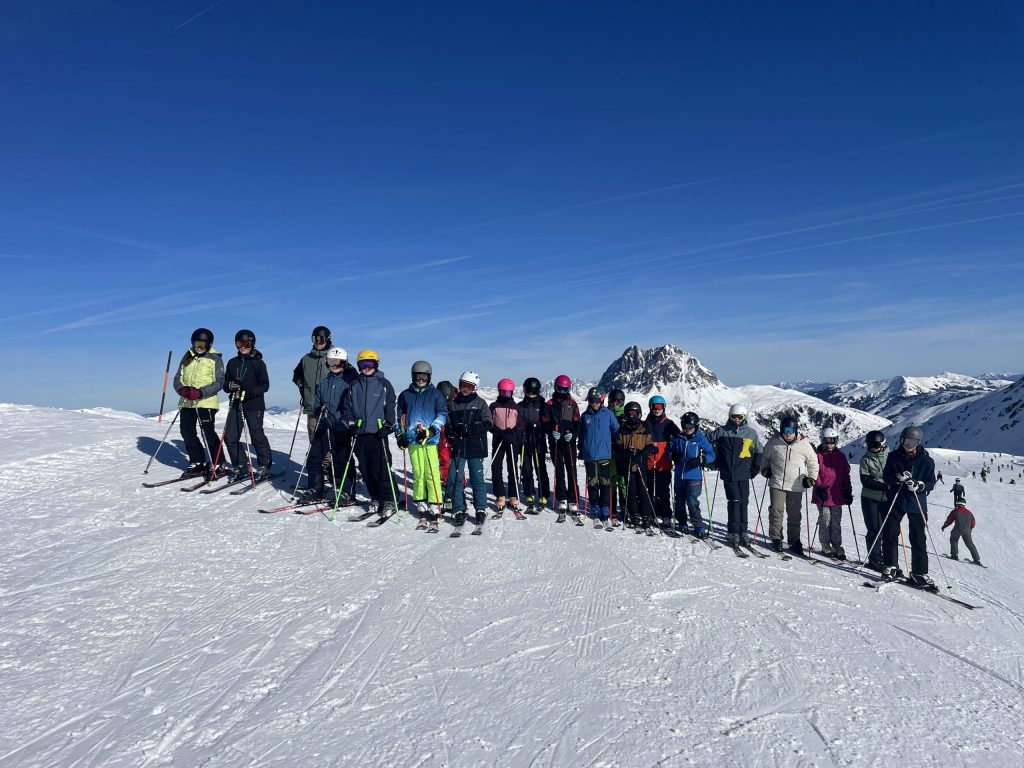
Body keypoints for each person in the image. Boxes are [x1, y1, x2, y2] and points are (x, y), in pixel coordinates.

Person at [340, 349, 398, 520]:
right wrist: (351, 425)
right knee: (366, 468)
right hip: (360, 434)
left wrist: (388, 425)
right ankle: (375, 496)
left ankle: (389, 499)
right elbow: (346, 409)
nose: (366, 367)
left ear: (376, 364)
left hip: (378, 434)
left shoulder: (384, 384)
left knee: (382, 468)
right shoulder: (353, 385)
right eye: (362, 364)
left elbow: (390, 406)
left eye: (369, 364)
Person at [881, 425, 938, 588]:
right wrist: (896, 478)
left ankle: (919, 572)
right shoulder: (893, 457)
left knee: (918, 537)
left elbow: (930, 482)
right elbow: (886, 476)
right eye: (906, 440)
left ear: (918, 442)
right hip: (896, 499)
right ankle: (891, 566)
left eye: (912, 441)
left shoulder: (927, 461)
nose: (908, 444)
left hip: (916, 502)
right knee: (890, 532)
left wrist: (920, 486)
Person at [396, 361, 447, 532]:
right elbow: (400, 418)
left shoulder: (435, 394)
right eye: (418, 376)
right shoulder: (405, 395)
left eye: (424, 376)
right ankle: (421, 502)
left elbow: (442, 414)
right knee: (417, 473)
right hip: (412, 441)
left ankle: (435, 504)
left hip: (429, 441)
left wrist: (432, 430)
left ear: (429, 377)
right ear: (413, 376)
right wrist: (400, 435)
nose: (421, 379)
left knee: (431, 473)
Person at [300, 347, 356, 503]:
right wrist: (320, 411)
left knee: (342, 459)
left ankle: (347, 491)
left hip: (342, 427)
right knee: (314, 457)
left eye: (338, 362)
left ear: (344, 363)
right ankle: (316, 489)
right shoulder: (324, 382)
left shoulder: (350, 381)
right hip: (324, 425)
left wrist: (341, 419)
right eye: (331, 362)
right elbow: (317, 402)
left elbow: (353, 404)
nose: (334, 365)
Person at [760, 415, 818, 554]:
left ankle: (794, 541)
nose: (788, 433)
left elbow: (813, 463)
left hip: (796, 484)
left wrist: (811, 478)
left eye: (791, 430)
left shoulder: (804, 444)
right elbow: (765, 458)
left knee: (794, 514)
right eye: (785, 430)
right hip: (777, 482)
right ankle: (776, 538)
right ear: (781, 430)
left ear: (796, 430)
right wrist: (765, 469)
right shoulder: (773, 442)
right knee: (776, 511)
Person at [173, 328, 225, 477]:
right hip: (187, 402)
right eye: (197, 344)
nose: (199, 347)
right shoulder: (187, 356)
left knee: (207, 433)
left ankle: (218, 463)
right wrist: (182, 390)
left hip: (206, 402)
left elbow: (220, 381)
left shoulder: (215, 358)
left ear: (209, 345)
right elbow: (178, 378)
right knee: (187, 432)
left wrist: (201, 392)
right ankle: (197, 462)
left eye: (203, 344)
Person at [709, 404, 764, 547]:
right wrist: (714, 459)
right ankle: (733, 531)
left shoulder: (750, 433)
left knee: (743, 502)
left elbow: (759, 450)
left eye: (740, 417)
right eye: (734, 417)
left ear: (744, 417)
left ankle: (743, 531)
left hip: (744, 473)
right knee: (734, 501)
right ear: (729, 416)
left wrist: (756, 467)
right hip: (728, 473)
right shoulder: (722, 431)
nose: (737, 420)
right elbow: (707, 441)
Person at [444, 371, 492, 531]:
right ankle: (459, 508)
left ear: (475, 388)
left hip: (475, 446)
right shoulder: (453, 404)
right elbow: (448, 425)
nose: (465, 389)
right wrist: (452, 435)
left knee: (477, 478)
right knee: (454, 477)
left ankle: (480, 508)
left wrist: (471, 428)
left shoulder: (480, 404)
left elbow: (488, 423)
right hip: (459, 446)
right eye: (463, 385)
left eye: (469, 387)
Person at [222, 329, 273, 481]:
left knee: (256, 435)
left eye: (246, 343)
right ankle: (241, 466)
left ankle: (264, 466)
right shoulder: (232, 362)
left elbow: (265, 385)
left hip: (254, 405)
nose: (243, 346)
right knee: (230, 437)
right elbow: (225, 385)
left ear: (252, 344)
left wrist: (248, 392)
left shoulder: (258, 363)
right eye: (239, 343)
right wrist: (230, 385)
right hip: (236, 403)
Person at [667, 411, 716, 537]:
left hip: (694, 476)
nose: (687, 429)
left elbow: (711, 455)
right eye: (685, 426)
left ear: (696, 426)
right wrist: (672, 456)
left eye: (690, 427)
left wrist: (702, 460)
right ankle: (682, 522)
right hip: (679, 475)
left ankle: (698, 525)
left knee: (691, 500)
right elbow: (669, 452)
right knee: (679, 501)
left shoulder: (700, 439)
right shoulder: (678, 438)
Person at [577, 387, 619, 528]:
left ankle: (605, 507)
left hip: (604, 455)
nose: (594, 403)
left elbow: (616, 430)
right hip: (590, 455)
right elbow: (581, 434)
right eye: (591, 400)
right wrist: (581, 448)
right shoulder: (585, 416)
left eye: (596, 401)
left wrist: (614, 446)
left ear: (601, 400)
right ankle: (594, 506)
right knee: (592, 482)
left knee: (605, 482)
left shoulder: (608, 414)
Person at [614, 401, 657, 533]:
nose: (632, 416)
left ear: (639, 414)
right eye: (629, 413)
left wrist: (642, 454)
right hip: (628, 466)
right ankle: (635, 515)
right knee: (631, 492)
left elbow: (651, 446)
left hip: (641, 465)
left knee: (643, 492)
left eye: (635, 413)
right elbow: (617, 445)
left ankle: (646, 516)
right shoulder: (623, 429)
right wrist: (625, 452)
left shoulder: (645, 427)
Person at [542, 374, 581, 517]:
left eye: (566, 389)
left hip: (569, 443)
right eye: (560, 389)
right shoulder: (550, 404)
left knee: (571, 471)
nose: (563, 392)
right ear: (555, 388)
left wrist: (574, 435)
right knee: (559, 471)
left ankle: (573, 499)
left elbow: (578, 423)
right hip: (556, 443)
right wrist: (551, 432)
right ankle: (562, 498)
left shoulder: (572, 404)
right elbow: (544, 422)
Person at [813, 427, 853, 558]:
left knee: (836, 521)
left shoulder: (841, 456)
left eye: (832, 441)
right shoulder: (817, 456)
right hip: (823, 493)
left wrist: (847, 490)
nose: (830, 444)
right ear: (822, 441)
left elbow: (845, 474)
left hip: (837, 494)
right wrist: (819, 487)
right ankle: (825, 544)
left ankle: (837, 545)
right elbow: (814, 473)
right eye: (827, 441)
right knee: (825, 520)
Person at [644, 395, 681, 530]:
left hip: (663, 464)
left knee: (663, 491)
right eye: (654, 407)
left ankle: (665, 514)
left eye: (659, 407)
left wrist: (676, 453)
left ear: (664, 407)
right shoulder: (645, 424)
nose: (657, 410)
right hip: (649, 464)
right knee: (650, 490)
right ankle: (653, 513)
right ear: (650, 408)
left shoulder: (669, 424)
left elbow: (679, 439)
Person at [489, 378, 524, 516]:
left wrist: (513, 433)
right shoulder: (493, 406)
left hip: (511, 441)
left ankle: (513, 495)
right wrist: (499, 432)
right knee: (496, 467)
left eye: (508, 393)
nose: (506, 395)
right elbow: (489, 423)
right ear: (499, 391)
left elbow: (521, 424)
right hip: (498, 440)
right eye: (503, 392)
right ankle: (500, 495)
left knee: (513, 467)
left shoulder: (515, 407)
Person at [292, 325, 333, 440]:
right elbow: (297, 375)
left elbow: (349, 376)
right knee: (314, 437)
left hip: (331, 408)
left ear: (328, 339)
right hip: (312, 405)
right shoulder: (307, 359)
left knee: (329, 438)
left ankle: (328, 459)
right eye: (315, 339)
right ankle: (315, 458)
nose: (318, 342)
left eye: (321, 339)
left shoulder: (335, 356)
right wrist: (302, 387)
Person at [518, 377, 551, 514]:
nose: (531, 393)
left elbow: (547, 421)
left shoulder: (543, 405)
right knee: (526, 469)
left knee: (540, 468)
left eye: (534, 390)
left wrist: (540, 427)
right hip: (525, 441)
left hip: (538, 441)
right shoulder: (520, 405)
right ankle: (529, 493)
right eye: (529, 390)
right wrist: (523, 428)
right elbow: (518, 421)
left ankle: (543, 494)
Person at [858, 429, 889, 571]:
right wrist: (885, 486)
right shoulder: (865, 459)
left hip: (888, 499)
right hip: (870, 498)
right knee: (875, 529)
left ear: (882, 444)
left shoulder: (891, 457)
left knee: (888, 530)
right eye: (870, 445)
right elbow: (866, 481)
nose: (873, 448)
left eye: (876, 445)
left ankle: (889, 560)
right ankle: (875, 560)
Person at [607, 388, 627, 525]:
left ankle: (625, 508)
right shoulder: (606, 414)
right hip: (610, 453)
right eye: (613, 401)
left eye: (618, 401)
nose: (615, 404)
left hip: (623, 454)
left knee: (624, 482)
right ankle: (612, 509)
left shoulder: (627, 415)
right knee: (612, 481)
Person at [436, 380, 455, 487]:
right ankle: (446, 482)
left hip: (454, 434)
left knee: (456, 461)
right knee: (445, 460)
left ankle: (458, 483)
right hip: (442, 435)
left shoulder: (456, 402)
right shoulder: (435, 403)